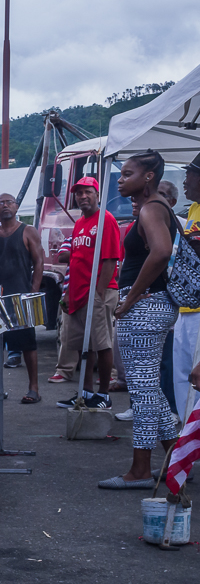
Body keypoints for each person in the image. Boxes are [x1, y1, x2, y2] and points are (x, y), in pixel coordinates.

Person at [99, 150, 178, 489]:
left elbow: (161, 252)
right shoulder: (159, 208)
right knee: (150, 389)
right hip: (154, 306)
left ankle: (141, 471)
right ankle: (177, 457)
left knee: (143, 392)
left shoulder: (150, 208)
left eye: (127, 173)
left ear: (148, 177)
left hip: (145, 308)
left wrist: (129, 298)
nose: (120, 178)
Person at [51, 177, 121, 407]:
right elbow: (76, 261)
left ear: (97, 194)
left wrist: (99, 293)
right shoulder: (81, 223)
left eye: (87, 192)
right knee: (85, 346)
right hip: (79, 293)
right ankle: (86, 392)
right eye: (79, 193)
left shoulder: (105, 220)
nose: (83, 197)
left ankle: (103, 395)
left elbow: (110, 259)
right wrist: (70, 291)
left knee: (102, 344)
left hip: (99, 292)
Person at [0, 193, 44, 404]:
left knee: (27, 343)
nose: (4, 206)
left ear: (16, 207)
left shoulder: (28, 231)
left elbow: (39, 261)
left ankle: (34, 389)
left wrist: (33, 290)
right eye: (0, 203)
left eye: (8, 202)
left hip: (21, 297)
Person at [171, 152, 200, 421]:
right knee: (182, 377)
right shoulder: (192, 210)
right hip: (186, 308)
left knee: (196, 377)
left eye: (189, 173)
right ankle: (185, 433)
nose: (184, 180)